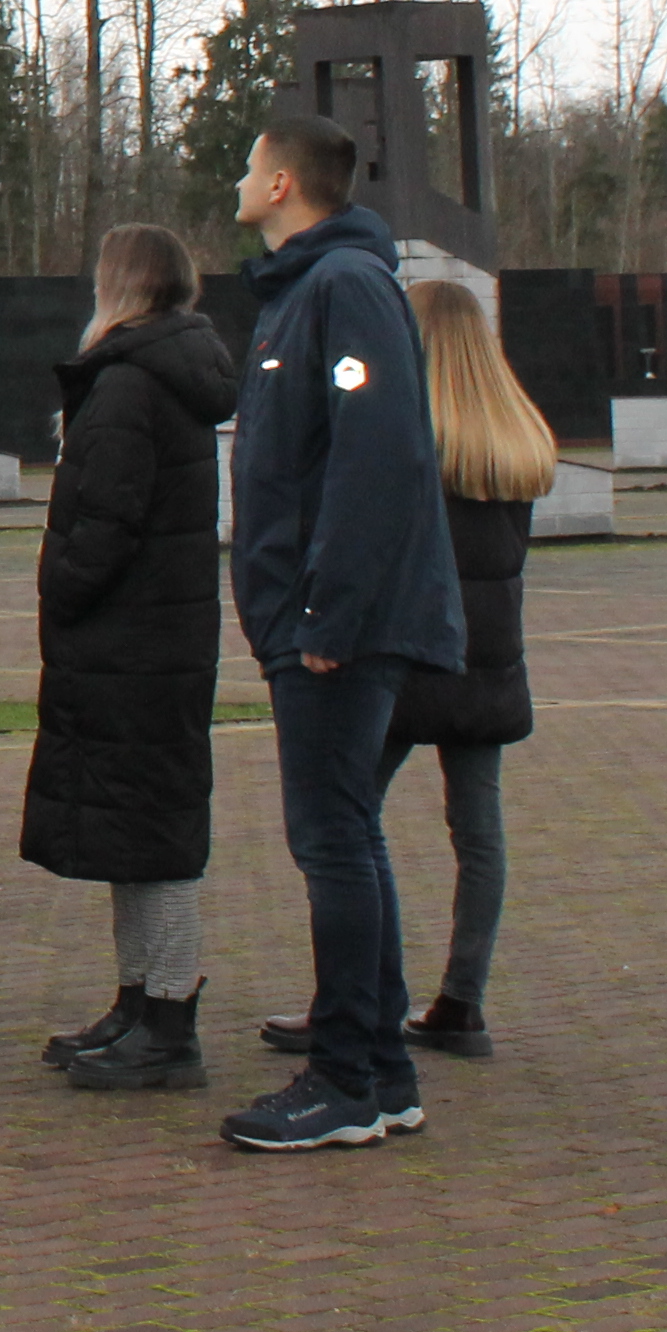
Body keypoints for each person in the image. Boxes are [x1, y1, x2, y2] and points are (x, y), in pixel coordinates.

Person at [216, 114, 464, 1152]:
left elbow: (380, 457)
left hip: (337, 627)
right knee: (344, 832)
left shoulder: (345, 288)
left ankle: (348, 1077)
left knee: (332, 839)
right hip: (313, 616)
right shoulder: (304, 292)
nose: (238, 178)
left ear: (282, 185)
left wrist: (330, 613)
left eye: (249, 165)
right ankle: (382, 1070)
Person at [261, 279, 547, 1067]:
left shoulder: (406, 436)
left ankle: (354, 1001)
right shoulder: (514, 439)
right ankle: (462, 999)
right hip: (486, 665)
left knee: (340, 827)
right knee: (478, 833)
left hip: (405, 652)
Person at [22, 223, 237, 1093]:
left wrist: (62, 587)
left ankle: (169, 1017)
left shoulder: (124, 387)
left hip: (130, 641)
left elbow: (102, 524)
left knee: (155, 836)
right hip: (161, 640)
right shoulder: (171, 377)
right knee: (138, 826)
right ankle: (139, 1000)